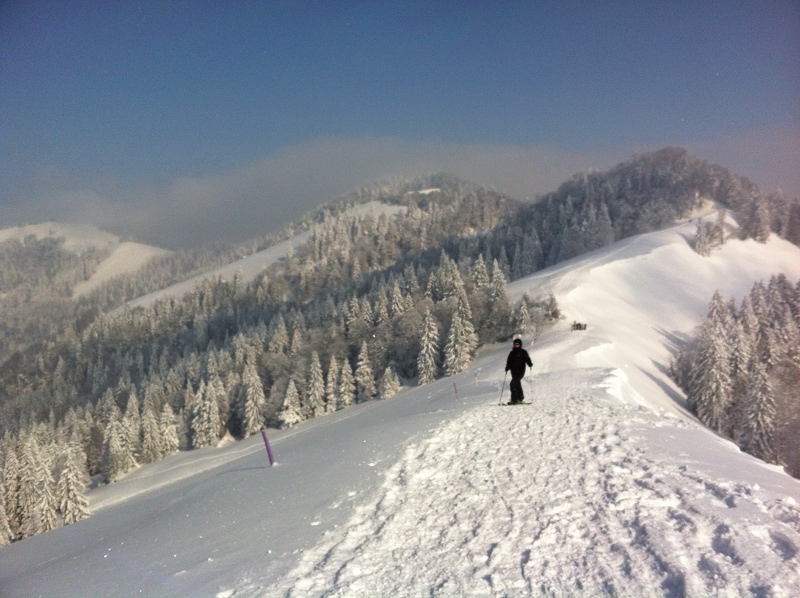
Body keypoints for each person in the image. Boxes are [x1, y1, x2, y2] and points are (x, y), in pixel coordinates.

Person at [505, 338, 533, 404]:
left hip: (521, 370)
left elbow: (527, 359)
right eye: (515, 344)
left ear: (520, 345)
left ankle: (515, 399)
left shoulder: (523, 352)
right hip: (513, 371)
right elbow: (509, 361)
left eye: (517, 344)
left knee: (513, 383)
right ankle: (519, 398)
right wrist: (507, 367)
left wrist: (529, 364)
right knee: (515, 383)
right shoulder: (512, 353)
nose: (516, 345)